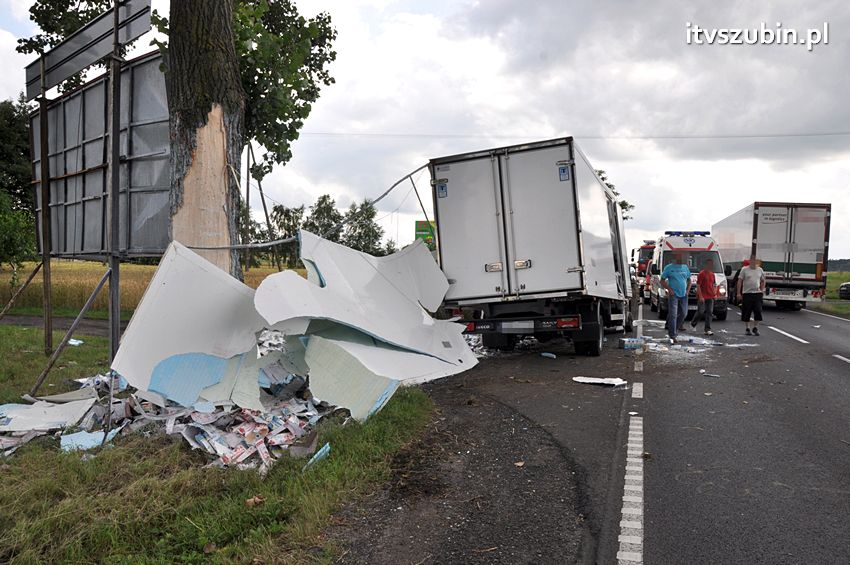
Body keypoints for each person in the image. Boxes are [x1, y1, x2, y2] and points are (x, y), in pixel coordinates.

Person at [661, 251, 692, 342]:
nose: (685, 258)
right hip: (673, 294)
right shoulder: (669, 268)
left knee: (684, 313)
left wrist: (687, 290)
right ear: (678, 256)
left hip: (684, 295)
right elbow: (662, 280)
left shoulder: (685, 267)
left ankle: (675, 329)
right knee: (673, 314)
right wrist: (669, 290)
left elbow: (689, 280)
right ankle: (673, 335)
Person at [737, 254, 766, 335]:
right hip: (747, 293)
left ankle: (755, 327)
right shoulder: (744, 269)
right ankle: (747, 328)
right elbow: (739, 281)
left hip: (757, 294)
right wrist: (738, 293)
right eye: (752, 260)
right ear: (750, 261)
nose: (754, 262)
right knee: (747, 311)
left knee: (758, 310)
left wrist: (762, 289)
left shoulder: (760, 270)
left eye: (755, 260)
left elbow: (763, 280)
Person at [690, 258, 720, 335]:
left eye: (711, 264)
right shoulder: (701, 274)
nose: (710, 266)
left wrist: (715, 293)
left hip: (710, 296)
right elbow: (698, 285)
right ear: (706, 265)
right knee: (700, 311)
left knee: (709, 312)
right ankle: (693, 323)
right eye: (709, 264)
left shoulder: (712, 274)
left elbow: (714, 284)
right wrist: (700, 296)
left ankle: (707, 329)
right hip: (703, 296)